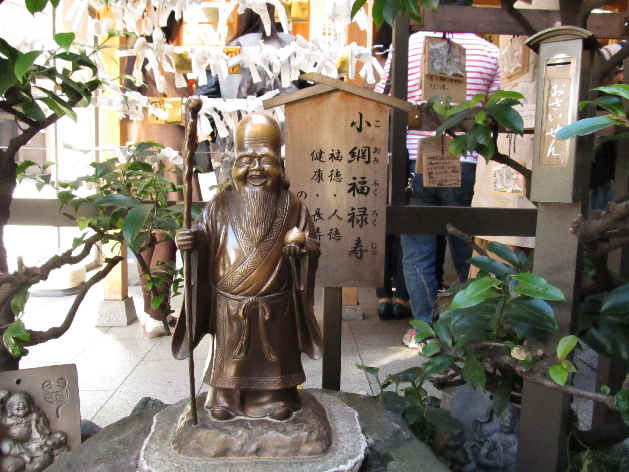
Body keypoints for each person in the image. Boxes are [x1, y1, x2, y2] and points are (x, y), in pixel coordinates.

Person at [173, 113, 323, 422]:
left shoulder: (293, 206)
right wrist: (190, 242)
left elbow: (313, 245)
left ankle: (278, 397)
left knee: (276, 359)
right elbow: (202, 238)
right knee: (230, 359)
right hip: (230, 305)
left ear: (280, 167)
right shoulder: (218, 205)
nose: (256, 169)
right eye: (246, 159)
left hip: (275, 305)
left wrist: (301, 242)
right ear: (232, 167)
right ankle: (225, 399)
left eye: (265, 160)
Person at [375, 6, 500, 344]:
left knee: (417, 250)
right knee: (467, 247)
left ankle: (426, 331)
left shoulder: (409, 44)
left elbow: (383, 100)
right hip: (467, 161)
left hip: (415, 160)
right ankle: (470, 327)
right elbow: (495, 112)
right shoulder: (490, 52)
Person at [123, 13, 201, 338]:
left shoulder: (132, 57)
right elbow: (184, 106)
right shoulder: (172, 55)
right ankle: (158, 313)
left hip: (142, 151)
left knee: (146, 232)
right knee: (168, 232)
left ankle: (151, 311)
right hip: (170, 152)